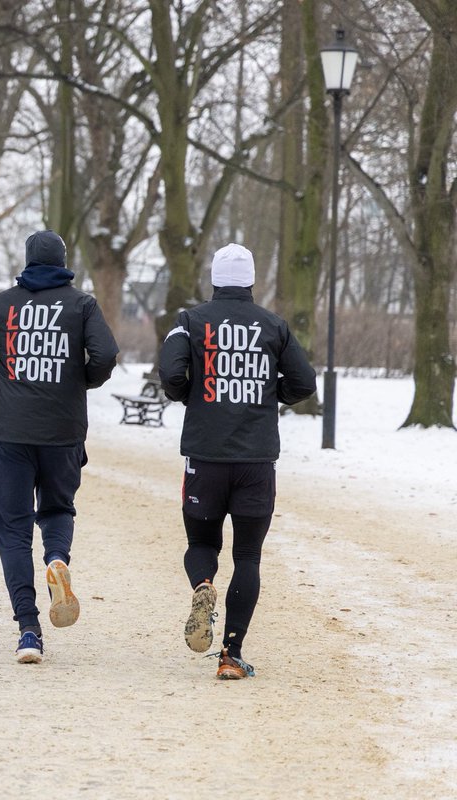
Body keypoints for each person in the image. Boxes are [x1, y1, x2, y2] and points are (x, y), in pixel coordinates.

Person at [0, 230, 119, 664]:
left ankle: (28, 629)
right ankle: (57, 559)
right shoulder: (82, 305)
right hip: (64, 430)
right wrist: (79, 379)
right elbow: (105, 355)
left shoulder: (1, 305)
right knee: (58, 508)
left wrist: (4, 363)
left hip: (11, 432)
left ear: (27, 261)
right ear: (62, 262)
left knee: (12, 529)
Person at [158, 242, 317, 680]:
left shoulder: (189, 321)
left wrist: (190, 394)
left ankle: (203, 585)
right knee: (248, 555)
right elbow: (304, 382)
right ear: (250, 281)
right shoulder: (274, 325)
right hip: (256, 460)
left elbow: (171, 373)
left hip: (205, 457)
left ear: (214, 279)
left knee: (201, 544)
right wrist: (271, 394)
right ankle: (231, 655)